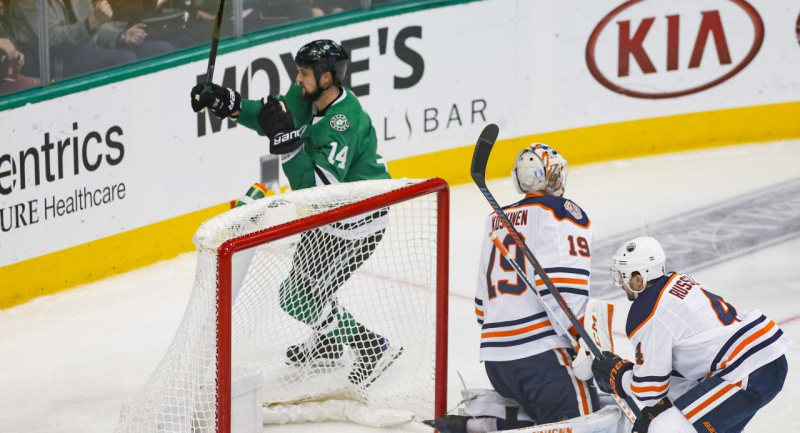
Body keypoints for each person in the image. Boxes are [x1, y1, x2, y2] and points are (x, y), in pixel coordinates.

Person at [189, 39, 399, 386]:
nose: (297, 79)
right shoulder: (305, 96)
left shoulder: (344, 121)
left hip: (357, 223)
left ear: (327, 77)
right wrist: (225, 102)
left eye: (304, 73)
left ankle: (373, 347)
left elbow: (320, 191)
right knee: (307, 293)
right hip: (326, 219)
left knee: (299, 298)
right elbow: (273, 116)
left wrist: (287, 145)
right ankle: (330, 342)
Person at [427, 144, 598, 432]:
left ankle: (479, 425)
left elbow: (482, 307)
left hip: (497, 361)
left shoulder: (495, 219)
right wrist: (586, 342)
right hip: (542, 354)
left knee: (540, 418)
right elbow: (564, 289)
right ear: (551, 177)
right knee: (587, 423)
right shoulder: (561, 213)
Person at [592, 237, 790, 433]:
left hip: (744, 372)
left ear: (637, 279)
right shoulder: (678, 281)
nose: (621, 284)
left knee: (662, 427)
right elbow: (683, 371)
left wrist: (618, 377)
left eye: (622, 277)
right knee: (679, 420)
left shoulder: (647, 311)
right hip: (761, 360)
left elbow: (649, 391)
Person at [10, 0, 174, 79]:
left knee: (162, 49)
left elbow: (96, 23)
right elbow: (52, 38)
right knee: (126, 59)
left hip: (89, 46)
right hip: (60, 59)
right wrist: (93, 22)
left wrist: (122, 36)